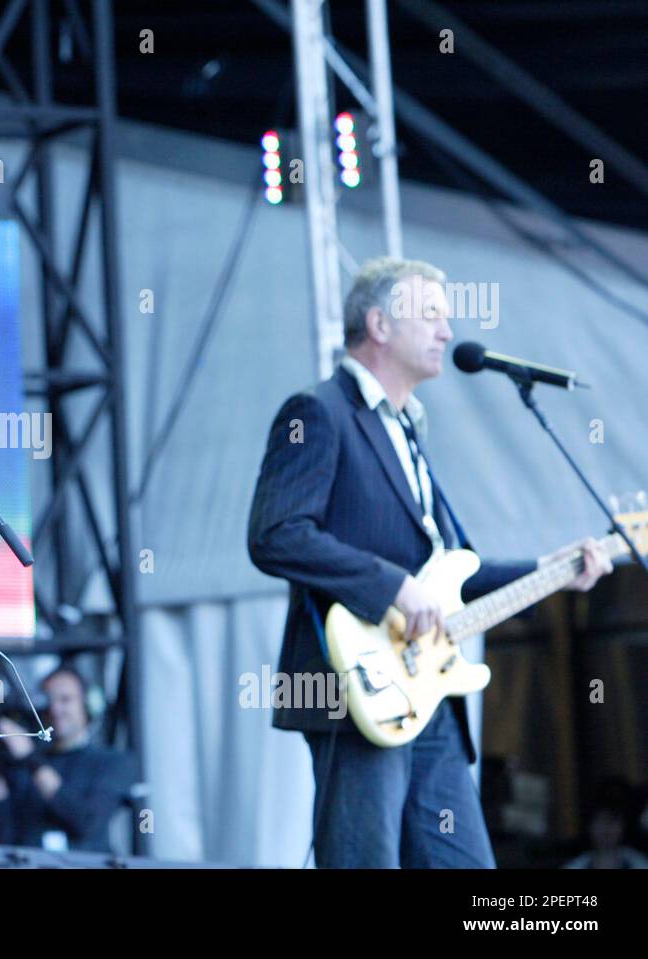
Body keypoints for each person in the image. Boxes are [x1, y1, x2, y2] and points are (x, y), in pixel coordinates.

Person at [247, 257, 612, 868]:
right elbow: (276, 534)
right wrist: (392, 588)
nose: (447, 331)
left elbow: (446, 575)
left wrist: (548, 569)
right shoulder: (317, 412)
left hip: (427, 694)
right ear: (379, 325)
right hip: (355, 689)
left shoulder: (409, 430)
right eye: (432, 316)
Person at [0, 666, 137, 853]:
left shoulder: (113, 763)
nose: (55, 709)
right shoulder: (21, 763)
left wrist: (30, 758)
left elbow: (86, 822)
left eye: (65, 699)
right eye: (48, 700)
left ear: (88, 704)